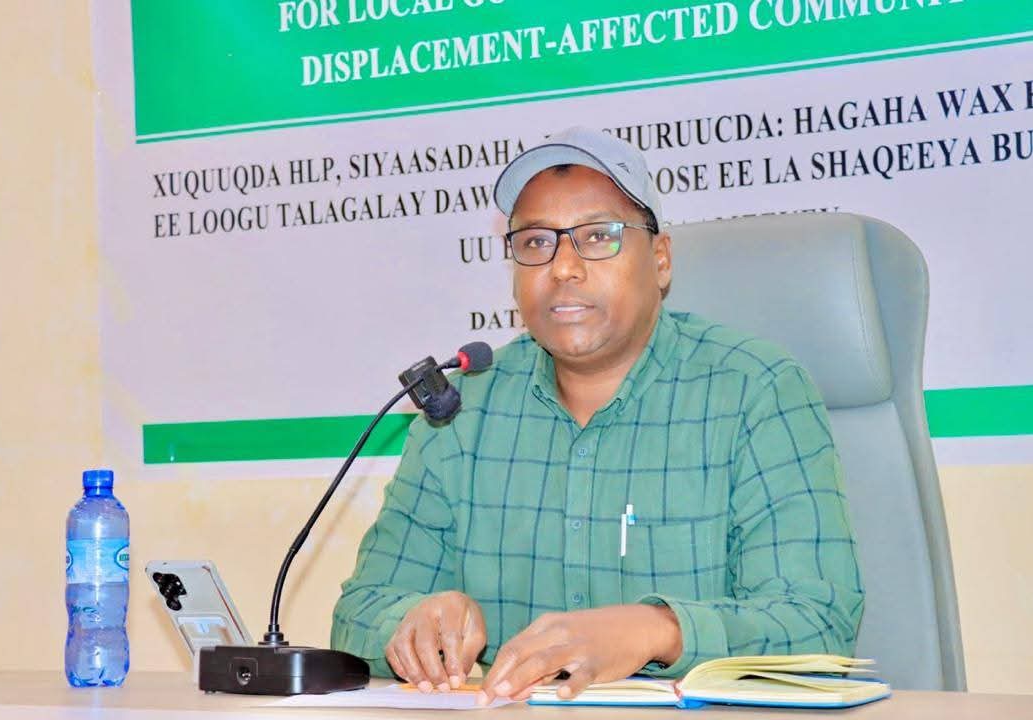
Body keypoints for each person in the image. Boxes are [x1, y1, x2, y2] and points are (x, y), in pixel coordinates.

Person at [331, 126, 864, 704]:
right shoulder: (461, 412)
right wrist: (415, 621)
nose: (563, 267)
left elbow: (817, 620)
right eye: (536, 242)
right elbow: (359, 612)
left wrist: (657, 630)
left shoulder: (754, 391)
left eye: (598, 236)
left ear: (660, 259)